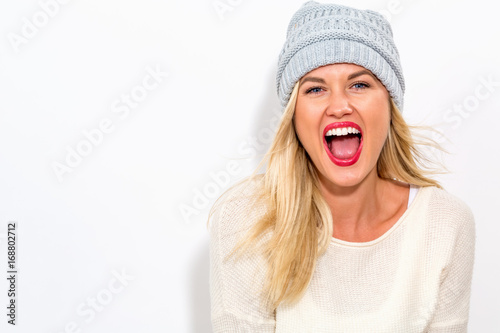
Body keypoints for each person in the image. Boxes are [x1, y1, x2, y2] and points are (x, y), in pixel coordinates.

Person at [208, 1, 476, 332]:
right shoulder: (245, 220)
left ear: (389, 106)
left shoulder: (445, 223)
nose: (339, 106)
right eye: (315, 88)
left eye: (360, 84)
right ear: (294, 116)